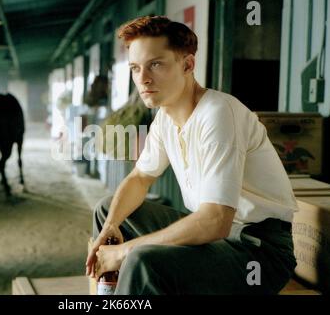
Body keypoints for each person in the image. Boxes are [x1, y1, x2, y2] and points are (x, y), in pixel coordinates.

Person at [85, 16, 298, 295]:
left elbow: (215, 221)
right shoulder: (165, 118)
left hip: (258, 252)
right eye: (136, 68)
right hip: (219, 239)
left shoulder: (218, 114)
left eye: (156, 64)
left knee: (141, 259)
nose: (143, 78)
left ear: (187, 64)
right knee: (109, 209)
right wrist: (112, 226)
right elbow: (140, 178)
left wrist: (124, 251)